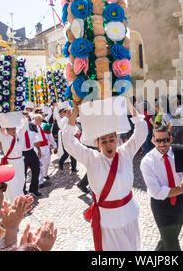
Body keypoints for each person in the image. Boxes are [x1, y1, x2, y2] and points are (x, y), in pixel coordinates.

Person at [62, 98, 148, 251]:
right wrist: (75, 113)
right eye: (104, 141)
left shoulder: (125, 153)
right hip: (107, 220)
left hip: (129, 215)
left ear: (117, 140)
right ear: (97, 144)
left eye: (111, 140)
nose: (109, 145)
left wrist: (128, 103)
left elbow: (141, 131)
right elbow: (68, 141)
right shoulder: (91, 158)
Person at [140, 126, 183, 251]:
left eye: (165, 140)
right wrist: (181, 189)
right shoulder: (147, 162)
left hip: (178, 203)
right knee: (171, 243)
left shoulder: (179, 151)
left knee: (167, 240)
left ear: (170, 139)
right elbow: (157, 192)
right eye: (158, 140)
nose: (162, 144)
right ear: (153, 141)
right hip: (161, 206)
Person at [0, 114, 28, 204]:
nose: (13, 131)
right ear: (6, 130)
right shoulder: (4, 137)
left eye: (14, 128)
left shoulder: (19, 135)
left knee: (21, 180)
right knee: (11, 182)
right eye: (10, 129)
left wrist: (20, 114)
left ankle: (21, 197)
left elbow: (25, 124)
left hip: (19, 161)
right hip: (10, 161)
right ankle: (13, 201)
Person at [21, 118, 42, 196]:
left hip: (31, 151)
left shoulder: (32, 126)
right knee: (23, 174)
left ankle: (34, 189)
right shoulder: (17, 128)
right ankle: (23, 191)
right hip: (22, 153)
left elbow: (36, 141)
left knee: (37, 170)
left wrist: (39, 151)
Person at [34, 115, 57, 186]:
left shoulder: (46, 126)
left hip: (46, 147)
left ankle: (45, 174)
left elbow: (50, 137)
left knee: (47, 163)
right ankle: (41, 181)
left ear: (41, 120)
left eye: (38, 119)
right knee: (40, 165)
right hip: (38, 148)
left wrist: (54, 146)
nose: (37, 121)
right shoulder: (33, 128)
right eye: (35, 120)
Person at [54, 105, 78, 173]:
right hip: (66, 138)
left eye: (70, 112)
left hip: (72, 137)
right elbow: (65, 129)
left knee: (73, 154)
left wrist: (77, 131)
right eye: (68, 112)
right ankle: (60, 162)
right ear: (65, 113)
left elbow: (74, 127)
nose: (69, 114)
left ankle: (74, 168)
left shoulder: (71, 118)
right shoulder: (63, 120)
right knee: (66, 153)